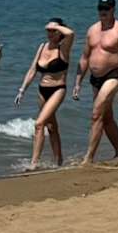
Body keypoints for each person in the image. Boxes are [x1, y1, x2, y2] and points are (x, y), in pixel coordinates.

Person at [74, 0, 118, 165]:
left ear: (113, 9)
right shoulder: (92, 30)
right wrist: (77, 82)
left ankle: (88, 158)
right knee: (106, 118)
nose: (103, 12)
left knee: (96, 114)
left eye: (106, 9)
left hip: (113, 75)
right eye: (100, 8)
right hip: (95, 78)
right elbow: (85, 57)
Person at [16, 19, 74, 170]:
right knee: (51, 126)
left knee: (39, 124)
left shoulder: (63, 48)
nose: (50, 33)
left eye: (53, 30)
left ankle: (34, 163)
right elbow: (32, 70)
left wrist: (56, 26)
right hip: (42, 91)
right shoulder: (42, 46)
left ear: (60, 32)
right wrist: (22, 90)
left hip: (58, 89)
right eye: (48, 30)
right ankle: (58, 161)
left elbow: (71, 33)